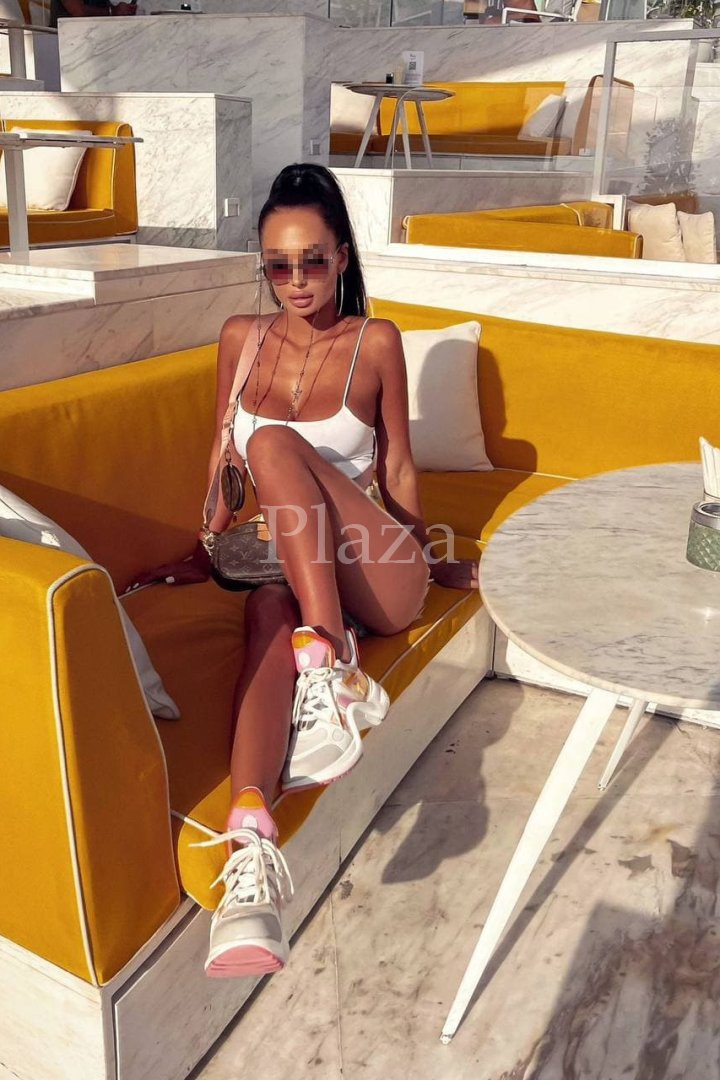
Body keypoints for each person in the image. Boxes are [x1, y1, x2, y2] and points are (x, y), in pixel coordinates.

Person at [135, 163, 479, 979]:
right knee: (265, 616)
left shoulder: (375, 342)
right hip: (282, 558)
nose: (295, 280)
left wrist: (430, 557)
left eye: (313, 261)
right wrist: (204, 544)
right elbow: (220, 457)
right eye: (278, 264)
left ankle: (327, 654)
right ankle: (250, 852)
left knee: (273, 443)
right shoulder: (240, 339)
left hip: (375, 573)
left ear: (342, 257)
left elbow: (397, 471)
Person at [50, 0, 136, 28]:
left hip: (94, 42)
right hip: (63, 43)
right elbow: (78, 11)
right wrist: (112, 11)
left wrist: (123, 10)